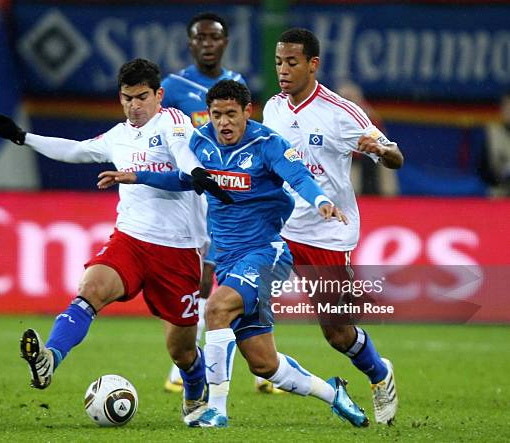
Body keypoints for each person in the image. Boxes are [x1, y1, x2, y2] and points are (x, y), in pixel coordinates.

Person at [99, 80, 369, 429]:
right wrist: (138, 176)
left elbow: (298, 176)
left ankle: (216, 409)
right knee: (263, 363)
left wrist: (321, 202)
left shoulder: (267, 144)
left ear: (247, 112)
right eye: (216, 115)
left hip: (266, 254)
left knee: (215, 307)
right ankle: (334, 394)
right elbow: (185, 179)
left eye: (230, 114)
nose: (223, 123)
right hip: (227, 260)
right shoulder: (201, 141)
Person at [0, 58, 232, 420]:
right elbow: (74, 150)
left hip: (178, 250)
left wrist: (196, 172)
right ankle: (49, 359)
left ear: (159, 95)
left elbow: (181, 153)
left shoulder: (173, 122)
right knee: (91, 288)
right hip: (130, 240)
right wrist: (24, 138)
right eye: (127, 98)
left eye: (142, 97)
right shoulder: (118, 136)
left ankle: (195, 391)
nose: (134, 106)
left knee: (181, 350)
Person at [263, 28, 404, 425]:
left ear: (313, 64)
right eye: (278, 62)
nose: (283, 70)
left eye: (292, 62)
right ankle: (213, 399)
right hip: (280, 230)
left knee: (338, 334)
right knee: (237, 302)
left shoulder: (341, 112)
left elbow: (396, 157)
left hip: (327, 235)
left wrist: (382, 149)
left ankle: (379, 373)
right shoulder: (272, 108)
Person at [160, 11, 250, 394]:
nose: (207, 44)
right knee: (197, 281)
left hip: (227, 191)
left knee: (229, 277)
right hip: (190, 197)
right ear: (190, 43)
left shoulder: (237, 83)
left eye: (215, 38)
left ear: (225, 42)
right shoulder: (173, 86)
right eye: (201, 38)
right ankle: (182, 366)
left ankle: (260, 364)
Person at [479, 90, 510, 196]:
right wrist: (501, 177)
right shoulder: (492, 132)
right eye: (507, 106)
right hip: (499, 191)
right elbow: (483, 170)